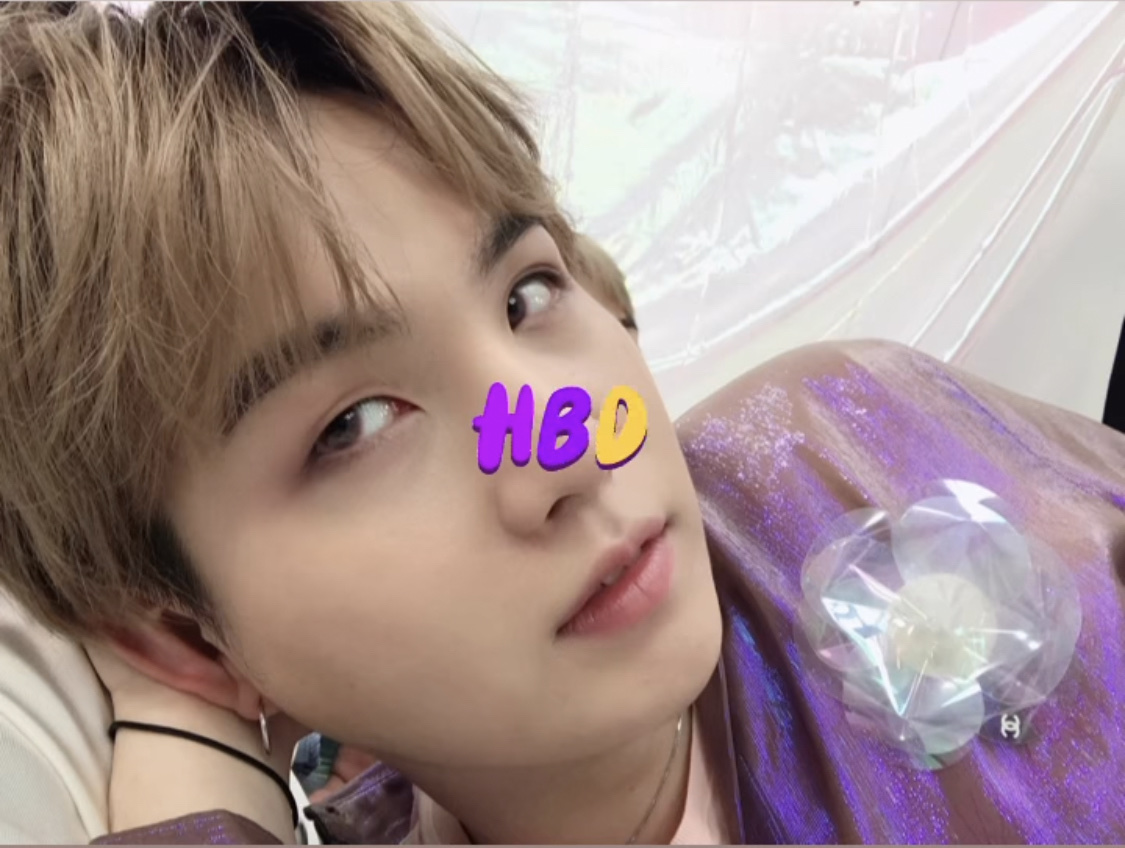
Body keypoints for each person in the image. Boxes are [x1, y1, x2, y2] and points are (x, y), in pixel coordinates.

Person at [0, 3, 1121, 845]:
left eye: (529, 294)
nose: (568, 444)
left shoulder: (845, 454)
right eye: (357, 424)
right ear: (189, 639)